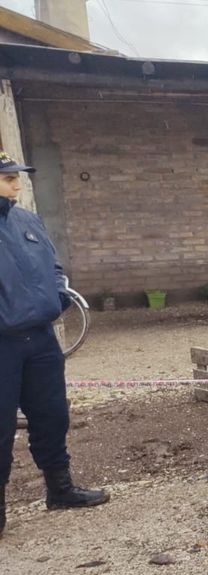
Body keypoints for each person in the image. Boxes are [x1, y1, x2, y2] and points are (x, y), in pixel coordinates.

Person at [0, 152, 109, 539]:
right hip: (3, 344)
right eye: (8, 177)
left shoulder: (27, 220)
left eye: (16, 176)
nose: (16, 183)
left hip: (41, 339)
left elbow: (53, 265)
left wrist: (60, 293)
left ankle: (60, 489)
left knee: (52, 416)